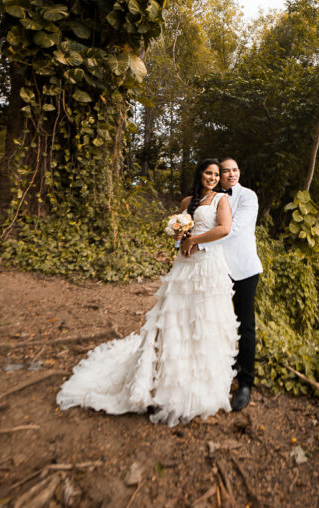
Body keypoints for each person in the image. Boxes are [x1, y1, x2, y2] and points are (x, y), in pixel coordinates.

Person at [55, 159, 238, 426]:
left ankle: (198, 386)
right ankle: (162, 382)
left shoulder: (221, 199)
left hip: (208, 267)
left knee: (204, 320)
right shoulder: (187, 202)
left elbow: (225, 229)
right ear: (200, 174)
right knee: (175, 318)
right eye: (207, 173)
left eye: (215, 174)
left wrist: (195, 241)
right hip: (184, 266)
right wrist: (179, 236)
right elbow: (178, 237)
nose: (211, 177)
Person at [210, 157, 263, 412]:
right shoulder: (214, 197)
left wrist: (201, 239)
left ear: (239, 172)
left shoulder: (248, 197)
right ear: (218, 175)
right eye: (225, 171)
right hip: (217, 269)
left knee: (245, 325)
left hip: (244, 270)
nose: (231, 174)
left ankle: (245, 383)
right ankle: (223, 369)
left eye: (235, 170)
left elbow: (234, 229)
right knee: (218, 321)